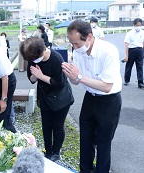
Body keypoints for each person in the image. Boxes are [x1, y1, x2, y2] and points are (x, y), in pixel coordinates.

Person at [62, 20, 122, 173]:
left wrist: (79, 76)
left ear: (89, 36)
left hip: (109, 101)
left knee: (103, 142)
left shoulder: (108, 51)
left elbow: (107, 86)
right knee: (86, 139)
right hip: (90, 98)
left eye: (77, 43)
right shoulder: (77, 52)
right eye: (72, 44)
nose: (75, 48)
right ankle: (85, 170)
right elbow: (75, 82)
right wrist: (70, 74)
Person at [20, 37, 72, 162]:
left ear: (43, 50)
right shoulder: (32, 57)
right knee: (46, 126)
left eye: (33, 59)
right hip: (45, 97)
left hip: (60, 98)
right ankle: (48, 152)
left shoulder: (56, 58)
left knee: (58, 126)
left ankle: (56, 152)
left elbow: (59, 83)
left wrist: (41, 76)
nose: (32, 62)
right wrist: (36, 76)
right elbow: (31, 79)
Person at [122, 18, 144, 89]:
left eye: (140, 25)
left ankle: (140, 83)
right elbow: (126, 44)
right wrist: (126, 55)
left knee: (140, 67)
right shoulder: (129, 33)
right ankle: (126, 80)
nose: (139, 27)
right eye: (137, 25)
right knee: (129, 66)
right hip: (131, 50)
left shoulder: (142, 32)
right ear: (134, 25)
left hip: (140, 50)